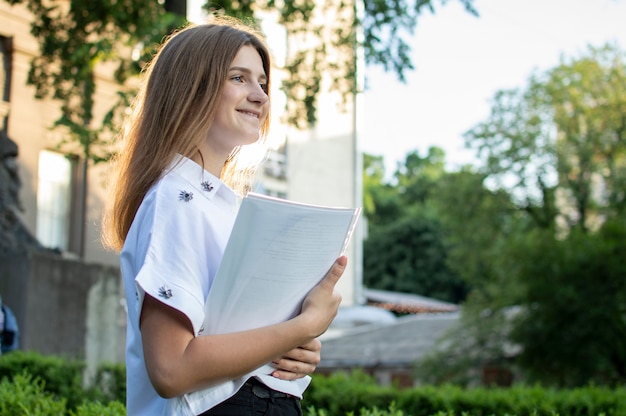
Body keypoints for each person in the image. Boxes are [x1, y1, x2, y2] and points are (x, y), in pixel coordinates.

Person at [102, 17, 346, 416]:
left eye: (263, 84)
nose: (261, 96)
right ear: (190, 88)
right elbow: (171, 369)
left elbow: (233, 334)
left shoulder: (224, 206)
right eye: (239, 78)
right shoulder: (176, 198)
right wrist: (302, 328)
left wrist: (290, 349)